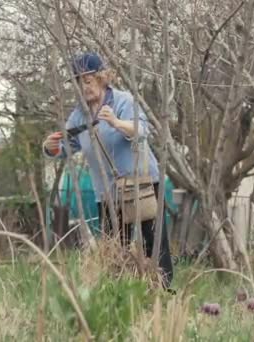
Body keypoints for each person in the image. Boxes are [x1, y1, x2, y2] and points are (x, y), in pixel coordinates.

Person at [42, 52, 174, 289]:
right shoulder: (78, 116)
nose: (84, 87)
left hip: (141, 185)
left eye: (88, 80)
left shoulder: (123, 101)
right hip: (108, 193)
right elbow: (66, 147)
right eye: (79, 82)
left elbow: (142, 131)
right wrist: (50, 147)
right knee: (114, 249)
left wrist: (115, 122)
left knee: (153, 243)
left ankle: (163, 294)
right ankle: (121, 295)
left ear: (102, 78)